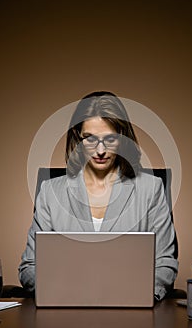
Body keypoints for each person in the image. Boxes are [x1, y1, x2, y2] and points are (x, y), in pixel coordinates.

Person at [19, 91, 178, 300]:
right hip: (64, 311)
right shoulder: (50, 192)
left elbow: (165, 263)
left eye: (110, 138)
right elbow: (30, 267)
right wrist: (65, 291)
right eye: (90, 139)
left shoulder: (151, 189)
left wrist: (134, 294)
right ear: (77, 138)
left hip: (130, 312)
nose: (100, 150)